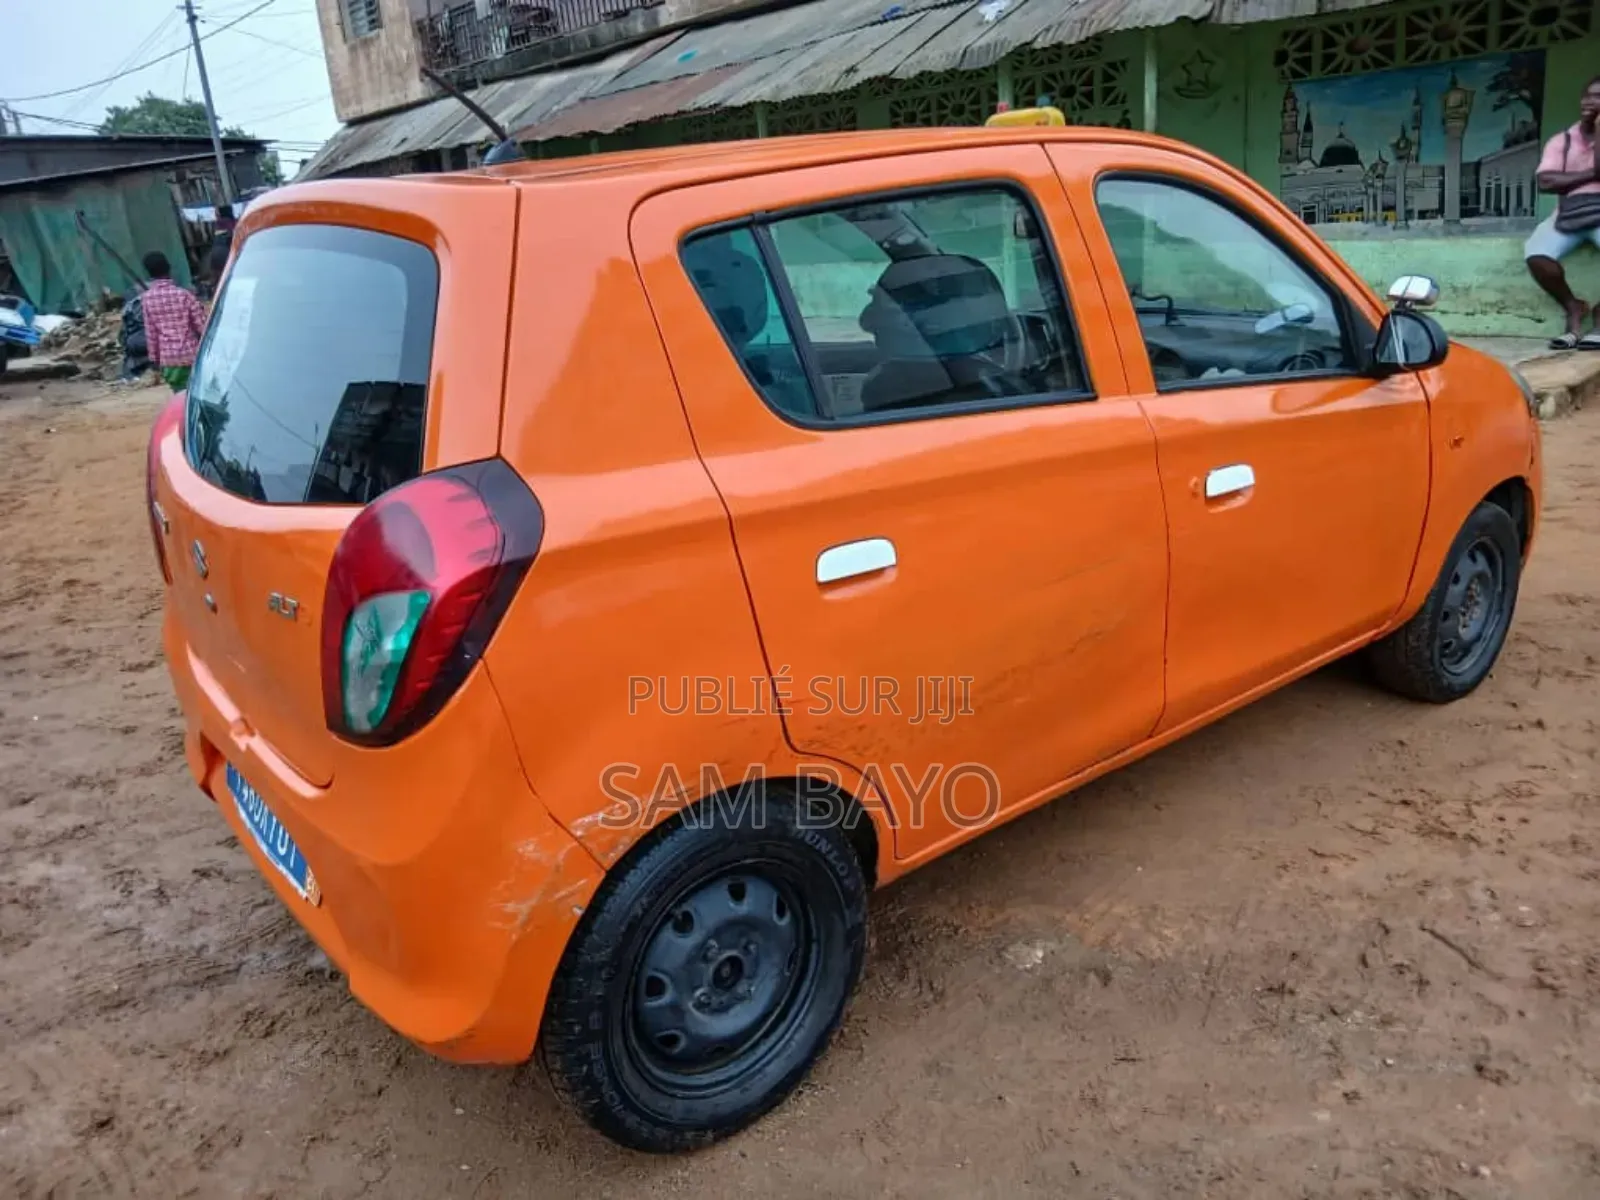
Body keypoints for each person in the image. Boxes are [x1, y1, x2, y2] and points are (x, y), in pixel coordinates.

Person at [1526, 76, 1600, 350]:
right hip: (1571, 212)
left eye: (1599, 97)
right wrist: (1592, 173)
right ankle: (1574, 307)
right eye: (1587, 96)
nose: (1590, 102)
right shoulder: (1563, 140)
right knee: (1536, 255)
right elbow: (1545, 182)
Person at [139, 251, 208, 391]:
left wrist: (154, 361)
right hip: (191, 356)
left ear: (149, 273)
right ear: (169, 268)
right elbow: (203, 327)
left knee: (180, 399)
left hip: (169, 361)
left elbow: (151, 334)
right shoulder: (184, 295)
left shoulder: (146, 299)